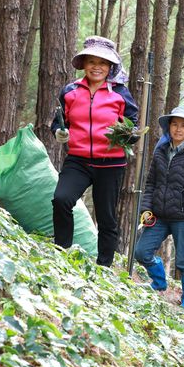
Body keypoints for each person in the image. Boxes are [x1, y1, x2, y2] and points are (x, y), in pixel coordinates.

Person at [51, 36, 139, 267]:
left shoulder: (120, 93)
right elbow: (59, 121)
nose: (96, 67)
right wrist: (59, 131)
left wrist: (130, 135)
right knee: (61, 199)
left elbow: (132, 123)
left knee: (106, 217)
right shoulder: (70, 91)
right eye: (91, 61)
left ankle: (104, 266)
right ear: (84, 64)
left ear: (110, 67)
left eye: (102, 62)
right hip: (78, 160)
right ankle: (61, 252)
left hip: (111, 163)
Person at [133, 106, 184, 313]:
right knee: (142, 251)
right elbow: (151, 183)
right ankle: (159, 282)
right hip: (159, 215)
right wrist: (146, 209)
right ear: (169, 127)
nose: (178, 129)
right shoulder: (160, 150)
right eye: (175, 124)